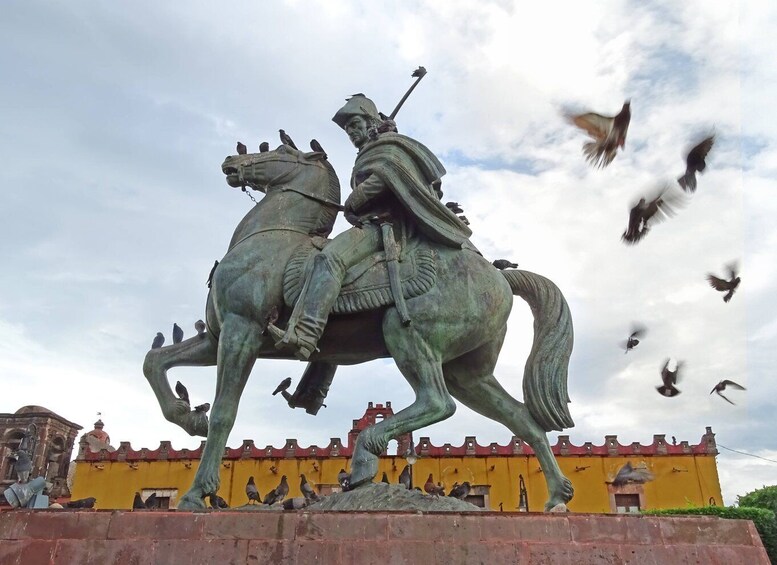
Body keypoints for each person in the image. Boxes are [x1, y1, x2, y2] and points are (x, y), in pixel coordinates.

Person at [268, 94, 472, 359]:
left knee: (328, 260)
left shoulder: (389, 146)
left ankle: (305, 334)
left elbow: (388, 176)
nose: (352, 132)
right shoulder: (373, 151)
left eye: (355, 124)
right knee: (340, 294)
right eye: (348, 129)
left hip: (384, 228)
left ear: (372, 121)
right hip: (373, 224)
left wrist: (356, 198)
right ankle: (315, 386)